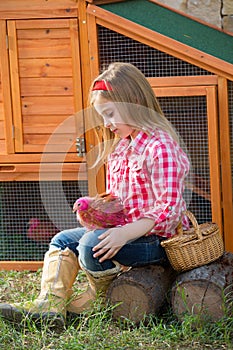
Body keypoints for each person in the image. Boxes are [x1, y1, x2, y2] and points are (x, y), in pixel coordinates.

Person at [0, 62, 190, 332]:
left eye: (110, 113)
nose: (106, 123)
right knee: (63, 239)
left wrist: (125, 234)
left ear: (134, 102)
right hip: (127, 231)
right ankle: (49, 306)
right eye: (103, 116)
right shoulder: (122, 148)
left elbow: (169, 210)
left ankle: (96, 301)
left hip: (156, 241)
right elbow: (120, 201)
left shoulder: (161, 147)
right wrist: (99, 209)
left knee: (90, 245)